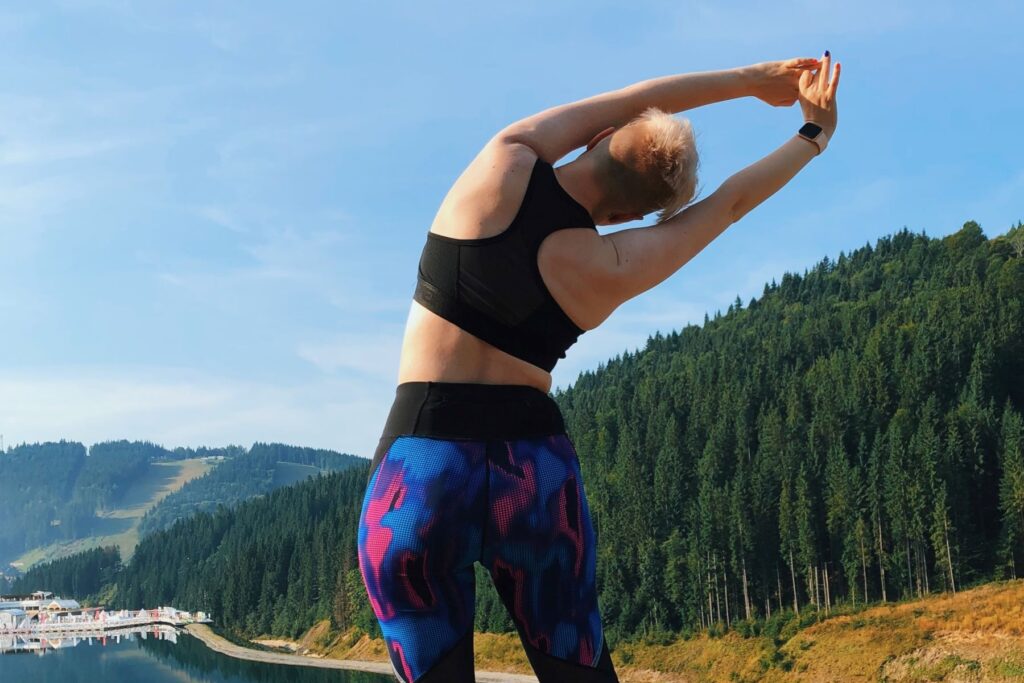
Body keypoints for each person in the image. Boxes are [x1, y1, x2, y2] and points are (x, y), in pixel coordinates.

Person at [358, 52, 841, 683]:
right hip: (532, 474)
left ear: (600, 137)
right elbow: (727, 206)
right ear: (632, 217)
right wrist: (813, 135)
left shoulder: (505, 158)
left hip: (419, 472)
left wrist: (751, 82)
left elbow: (635, 94)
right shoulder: (610, 267)